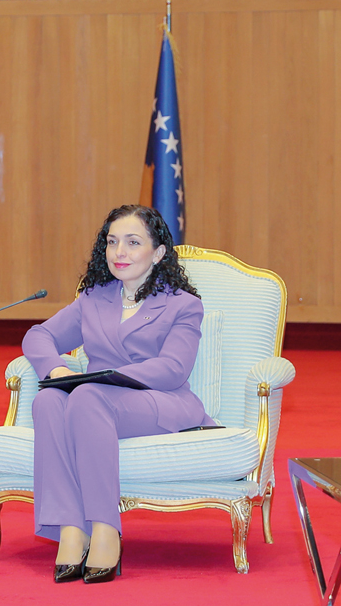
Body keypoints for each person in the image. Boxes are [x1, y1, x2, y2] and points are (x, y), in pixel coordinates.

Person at [21, 204, 212, 584]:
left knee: (88, 395)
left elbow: (174, 368)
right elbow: (38, 336)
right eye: (112, 242)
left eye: (132, 242)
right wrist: (58, 371)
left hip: (161, 401)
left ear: (158, 253)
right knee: (48, 399)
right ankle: (71, 529)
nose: (119, 252)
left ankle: (106, 529)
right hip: (94, 402)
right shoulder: (94, 299)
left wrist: (106, 378)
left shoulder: (183, 304)